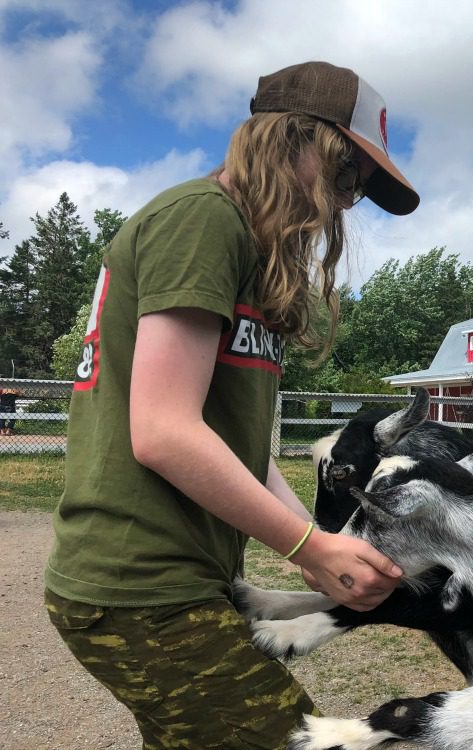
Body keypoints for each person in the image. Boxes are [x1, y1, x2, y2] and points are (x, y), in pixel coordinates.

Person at [44, 61, 419, 749]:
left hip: (185, 581)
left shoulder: (250, 255)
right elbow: (162, 431)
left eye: (358, 189)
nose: (344, 203)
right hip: (140, 586)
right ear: (287, 141)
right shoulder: (201, 222)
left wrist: (317, 546)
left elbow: (239, 445)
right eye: (344, 174)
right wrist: (308, 543)